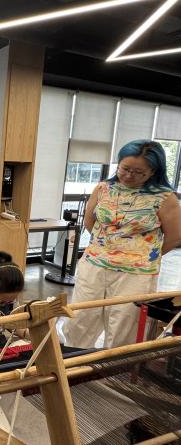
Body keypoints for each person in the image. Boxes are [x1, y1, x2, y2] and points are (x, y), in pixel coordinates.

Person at [64, 140, 181, 349]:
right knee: (80, 319)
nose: (128, 175)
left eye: (138, 172)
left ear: (153, 171)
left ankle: (115, 367)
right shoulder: (103, 188)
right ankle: (73, 361)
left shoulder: (164, 197)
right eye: (124, 168)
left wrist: (143, 256)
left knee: (124, 326)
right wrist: (107, 247)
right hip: (94, 264)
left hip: (135, 274)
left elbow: (174, 237)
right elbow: (90, 222)